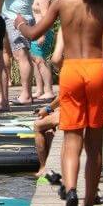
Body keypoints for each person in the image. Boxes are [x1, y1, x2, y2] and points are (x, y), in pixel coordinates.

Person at [15, 0, 103, 206]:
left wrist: (21, 23)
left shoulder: (62, 2)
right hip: (97, 71)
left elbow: (35, 35)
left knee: (72, 140)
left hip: (71, 71)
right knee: (94, 145)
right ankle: (89, 205)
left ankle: (70, 193)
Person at [2, 0, 38, 105]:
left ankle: (26, 95)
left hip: (16, 17)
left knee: (21, 56)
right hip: (24, 15)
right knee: (23, 56)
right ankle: (27, 93)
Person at [34, 29, 65, 177]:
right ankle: (48, 164)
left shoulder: (69, 66)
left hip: (72, 111)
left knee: (38, 126)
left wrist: (47, 108)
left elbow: (63, 96)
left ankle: (43, 167)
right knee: (48, 131)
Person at [30, 0, 55, 100]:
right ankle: (39, 90)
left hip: (43, 32)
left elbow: (46, 17)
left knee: (41, 61)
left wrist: (42, 34)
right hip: (37, 31)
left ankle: (49, 91)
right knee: (35, 61)